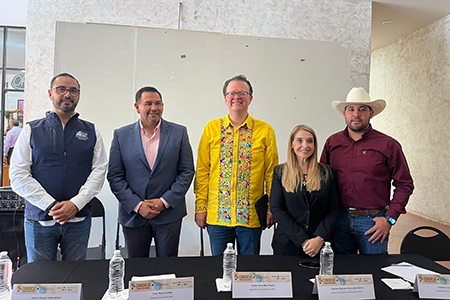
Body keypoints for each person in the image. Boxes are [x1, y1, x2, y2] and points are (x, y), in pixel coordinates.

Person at [10, 73, 107, 262]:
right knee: (40, 281)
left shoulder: (90, 131)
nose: (67, 94)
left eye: (73, 90)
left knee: (75, 276)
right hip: (40, 219)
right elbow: (18, 175)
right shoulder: (32, 130)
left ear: (79, 95)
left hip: (78, 218)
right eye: (61, 89)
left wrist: (75, 204)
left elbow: (99, 170)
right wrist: (51, 205)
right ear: (50, 93)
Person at [320, 87, 414, 254]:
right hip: (339, 220)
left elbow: (405, 184)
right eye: (351, 109)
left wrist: (390, 219)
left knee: (375, 271)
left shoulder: (388, 145)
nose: (356, 114)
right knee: (341, 273)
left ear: (371, 113)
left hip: (373, 222)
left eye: (362, 109)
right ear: (344, 114)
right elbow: (321, 180)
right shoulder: (332, 143)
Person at [194, 75, 279, 256]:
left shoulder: (265, 131)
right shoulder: (211, 129)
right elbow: (202, 171)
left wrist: (272, 208)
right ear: (225, 98)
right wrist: (200, 207)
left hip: (251, 217)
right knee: (220, 270)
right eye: (232, 93)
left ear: (250, 98)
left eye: (242, 93)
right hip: (217, 216)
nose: (237, 97)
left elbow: (271, 173)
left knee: (249, 272)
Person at [108, 86, 194, 258]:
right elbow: (115, 176)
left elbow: (186, 171)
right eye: (148, 103)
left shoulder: (179, 132)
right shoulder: (121, 135)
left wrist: (164, 201)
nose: (154, 108)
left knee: (168, 268)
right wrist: (138, 205)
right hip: (134, 215)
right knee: (136, 269)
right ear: (137, 106)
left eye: (158, 103)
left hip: (168, 214)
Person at [270, 125, 339, 257]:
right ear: (292, 144)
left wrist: (319, 238)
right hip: (287, 245)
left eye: (310, 141)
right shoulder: (280, 172)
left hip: (319, 245)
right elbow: (276, 209)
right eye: (299, 140)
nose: (305, 145)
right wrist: (302, 240)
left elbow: (333, 210)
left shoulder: (326, 172)